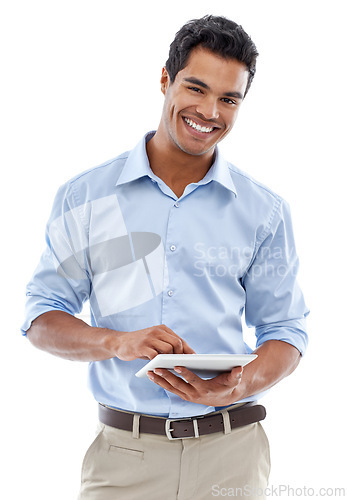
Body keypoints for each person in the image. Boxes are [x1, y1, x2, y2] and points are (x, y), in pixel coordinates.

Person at [22, 14, 309, 500]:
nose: (209, 111)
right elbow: (41, 317)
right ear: (165, 80)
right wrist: (117, 342)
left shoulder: (265, 212)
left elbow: (286, 332)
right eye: (196, 88)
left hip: (233, 458)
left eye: (229, 98)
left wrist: (235, 387)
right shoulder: (85, 197)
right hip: (123, 462)